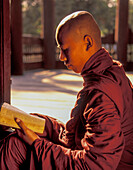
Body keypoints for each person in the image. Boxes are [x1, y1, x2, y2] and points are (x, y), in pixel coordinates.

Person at [0, 11, 133, 170]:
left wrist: (37, 144)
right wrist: (43, 125)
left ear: (88, 43)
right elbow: (78, 135)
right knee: (23, 137)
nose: (61, 57)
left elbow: (92, 165)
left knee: (15, 147)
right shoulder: (112, 71)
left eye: (65, 49)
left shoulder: (102, 94)